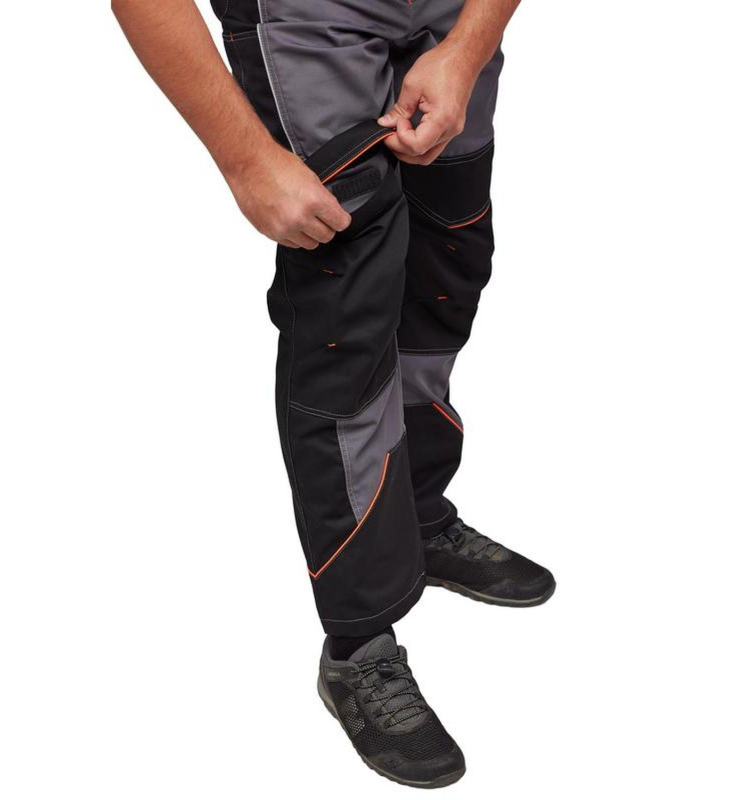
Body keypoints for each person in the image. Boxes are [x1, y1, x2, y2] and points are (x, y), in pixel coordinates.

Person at [113, 0, 555, 787]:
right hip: (305, 18)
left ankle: (419, 519)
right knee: (343, 321)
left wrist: (468, 44)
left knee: (447, 269)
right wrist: (245, 159)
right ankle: (360, 646)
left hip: (451, 14)